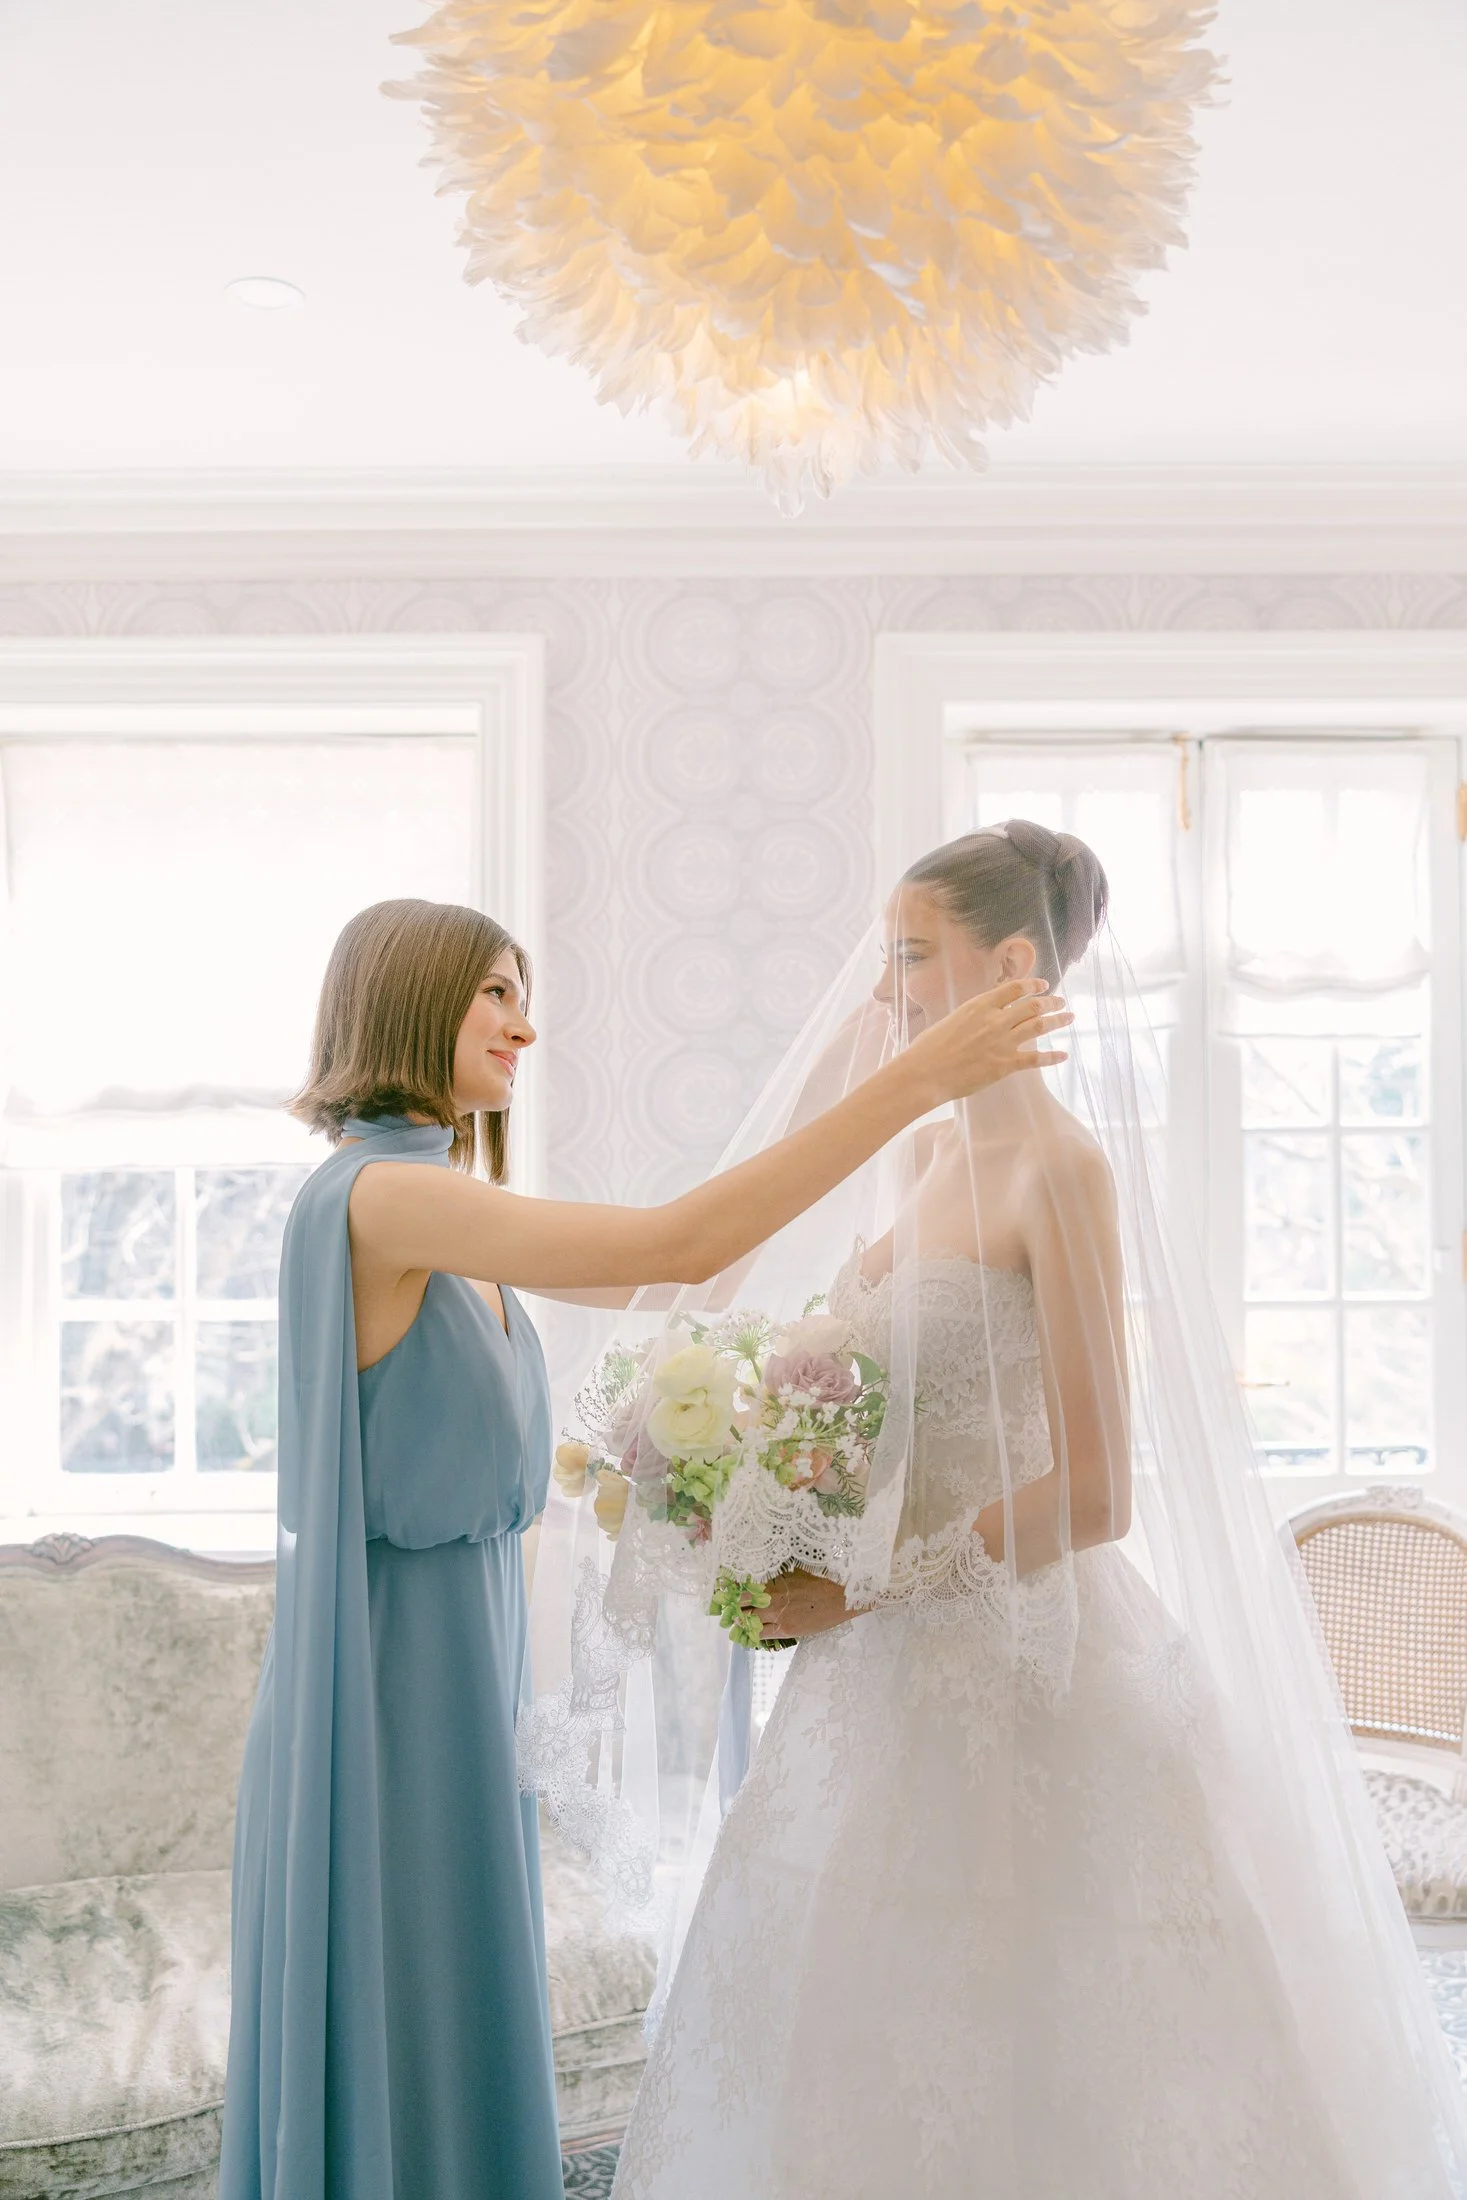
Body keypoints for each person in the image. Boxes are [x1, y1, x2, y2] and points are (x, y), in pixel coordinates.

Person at [527, 825, 1467, 2200]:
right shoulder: (919, 1163)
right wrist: (761, 1475)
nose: (887, 990)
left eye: (913, 954)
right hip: (873, 1673)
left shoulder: (1060, 1174)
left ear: (1011, 962)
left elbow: (1094, 1492)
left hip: (1026, 1666)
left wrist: (861, 1584)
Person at [217, 893, 1070, 2200]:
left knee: (447, 2002)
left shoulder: (443, 1201)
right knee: (408, 2005)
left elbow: (689, 1275)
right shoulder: (379, 1199)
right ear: (405, 999)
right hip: (383, 1690)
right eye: (495, 993)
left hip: (456, 1663)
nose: (526, 1023)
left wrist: (833, 1091)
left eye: (523, 992)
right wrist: (909, 1086)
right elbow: (679, 1243)